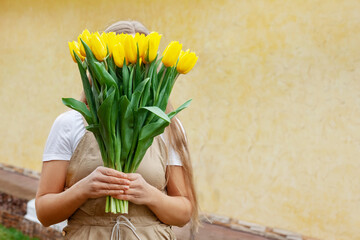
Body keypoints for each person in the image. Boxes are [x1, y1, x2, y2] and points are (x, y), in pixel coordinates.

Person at [35, 20, 199, 239]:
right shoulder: (70, 123)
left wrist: (149, 194)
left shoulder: (167, 126)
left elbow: (183, 213)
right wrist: (84, 188)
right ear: (100, 67)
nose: (127, 73)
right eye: (116, 64)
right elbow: (45, 213)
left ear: (149, 68)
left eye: (139, 65)